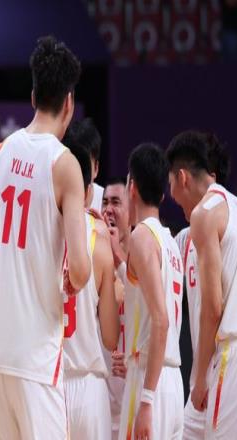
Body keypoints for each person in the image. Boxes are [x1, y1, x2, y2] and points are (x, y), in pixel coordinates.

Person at [0, 36, 91, 439]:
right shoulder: (65, 164)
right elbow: (82, 270)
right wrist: (64, 279)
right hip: (35, 359)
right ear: (69, 102)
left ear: (34, 95)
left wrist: (8, 280)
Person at [167, 130, 237, 439]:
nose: (171, 195)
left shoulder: (205, 214)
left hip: (232, 361)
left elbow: (213, 309)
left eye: (170, 183)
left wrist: (200, 377)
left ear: (182, 177)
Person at [117, 143, 184, 440]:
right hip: (172, 380)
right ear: (162, 194)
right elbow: (142, 293)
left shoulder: (141, 236)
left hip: (149, 380)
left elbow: (160, 320)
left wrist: (146, 399)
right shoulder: (169, 242)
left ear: (132, 187)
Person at [61, 141, 119, 439]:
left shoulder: (39, 233)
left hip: (50, 385)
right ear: (87, 191)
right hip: (89, 386)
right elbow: (110, 337)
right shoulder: (100, 239)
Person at [101, 177, 130, 440]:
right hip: (99, 401)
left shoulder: (145, 255)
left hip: (134, 399)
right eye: (104, 202)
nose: (108, 209)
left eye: (116, 203)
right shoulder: (91, 257)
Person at [66, 118, 105, 211]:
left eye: (85, 165)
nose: (79, 172)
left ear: (96, 168)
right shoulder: (55, 197)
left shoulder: (105, 202)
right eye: (75, 164)